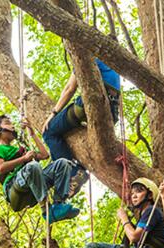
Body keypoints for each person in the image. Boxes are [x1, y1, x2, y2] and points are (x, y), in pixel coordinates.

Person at [42, 59, 121, 197]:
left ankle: (71, 173)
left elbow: (70, 89)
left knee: (49, 132)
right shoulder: (112, 64)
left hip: (87, 105)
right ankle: (78, 168)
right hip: (112, 112)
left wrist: (53, 114)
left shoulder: (86, 58)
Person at [0, 114, 80, 224]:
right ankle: (46, 209)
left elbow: (44, 155)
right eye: (7, 123)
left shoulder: (18, 150)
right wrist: (24, 159)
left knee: (62, 163)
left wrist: (33, 134)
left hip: (32, 183)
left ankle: (58, 204)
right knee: (33, 166)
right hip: (13, 187)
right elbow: (0, 168)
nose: (12, 126)